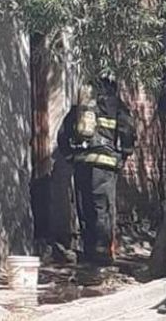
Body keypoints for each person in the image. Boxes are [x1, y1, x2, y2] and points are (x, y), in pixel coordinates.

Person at [58, 77, 136, 265]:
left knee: (84, 207)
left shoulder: (82, 107)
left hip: (81, 164)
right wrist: (124, 154)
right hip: (105, 166)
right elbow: (127, 130)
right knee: (102, 208)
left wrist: (70, 156)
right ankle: (102, 254)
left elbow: (63, 134)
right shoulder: (115, 105)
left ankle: (89, 251)